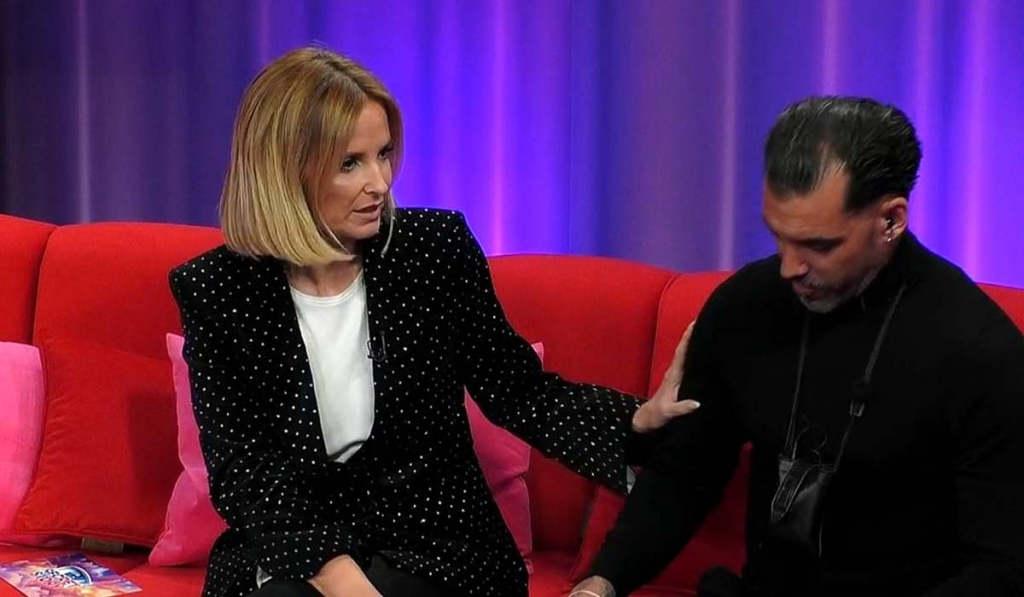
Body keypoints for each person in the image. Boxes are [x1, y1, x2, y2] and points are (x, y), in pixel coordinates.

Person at [169, 47, 697, 597]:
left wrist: (636, 420)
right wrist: (342, 579)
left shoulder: (433, 252)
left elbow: (517, 389)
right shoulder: (217, 289)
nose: (380, 182)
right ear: (285, 172)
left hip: (433, 540)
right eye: (351, 163)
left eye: (383, 154)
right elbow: (243, 468)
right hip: (298, 545)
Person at [571, 97, 1024, 597]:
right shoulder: (746, 306)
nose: (789, 268)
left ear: (891, 221)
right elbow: (686, 472)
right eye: (779, 238)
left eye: (819, 246)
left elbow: (1001, 567)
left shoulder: (980, 350)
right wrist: (602, 582)